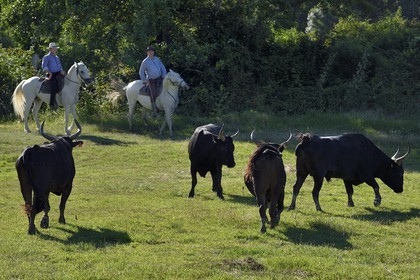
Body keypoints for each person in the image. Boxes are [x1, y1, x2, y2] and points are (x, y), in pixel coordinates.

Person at [139, 46, 167, 116]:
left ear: (153, 52)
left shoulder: (157, 59)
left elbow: (162, 67)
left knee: (166, 89)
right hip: (151, 81)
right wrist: (145, 80)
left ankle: (166, 107)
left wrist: (164, 75)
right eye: (149, 51)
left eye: (152, 51)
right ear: (147, 52)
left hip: (160, 78)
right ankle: (154, 111)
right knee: (153, 93)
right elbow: (141, 72)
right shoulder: (145, 61)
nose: (151, 52)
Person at [41, 42, 66, 110]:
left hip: (58, 74)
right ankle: (52, 104)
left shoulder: (57, 57)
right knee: (54, 87)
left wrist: (62, 71)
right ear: (50, 49)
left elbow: (59, 66)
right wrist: (49, 72)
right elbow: (44, 66)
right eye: (54, 48)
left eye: (56, 48)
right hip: (51, 75)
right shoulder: (46, 57)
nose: (55, 50)